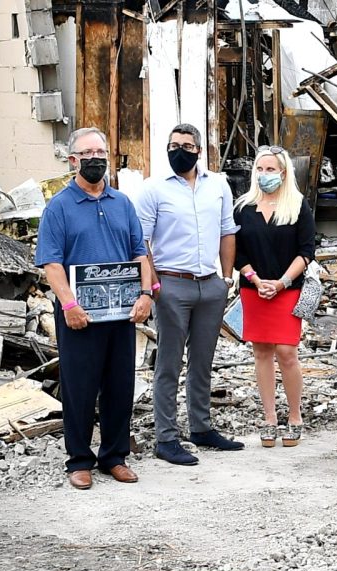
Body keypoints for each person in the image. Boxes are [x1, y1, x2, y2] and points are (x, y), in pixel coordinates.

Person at [34, 127, 152, 490]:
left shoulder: (122, 203)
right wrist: (68, 304)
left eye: (101, 152)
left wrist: (146, 294)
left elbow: (139, 252)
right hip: (79, 316)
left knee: (120, 386)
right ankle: (79, 461)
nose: (96, 159)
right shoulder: (59, 207)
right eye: (87, 153)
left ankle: (114, 457)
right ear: (73, 160)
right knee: (80, 389)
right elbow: (51, 263)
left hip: (121, 314)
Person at [137, 123, 244, 466]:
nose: (178, 151)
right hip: (172, 284)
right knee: (169, 363)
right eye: (173, 145)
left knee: (202, 361)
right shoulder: (153, 188)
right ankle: (166, 438)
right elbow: (140, 241)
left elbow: (228, 230)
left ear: (199, 150)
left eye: (186, 145)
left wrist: (225, 279)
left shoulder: (219, 185)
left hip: (210, 284)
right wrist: (154, 285)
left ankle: (201, 427)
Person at [232, 145, 316, 447]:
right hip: (254, 289)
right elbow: (236, 252)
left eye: (270, 169)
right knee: (262, 352)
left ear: (283, 172)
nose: (264, 174)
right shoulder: (243, 207)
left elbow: (306, 251)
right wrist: (255, 280)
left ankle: (295, 416)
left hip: (287, 289)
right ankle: (269, 418)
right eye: (260, 169)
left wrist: (281, 283)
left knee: (287, 352)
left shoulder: (297, 205)